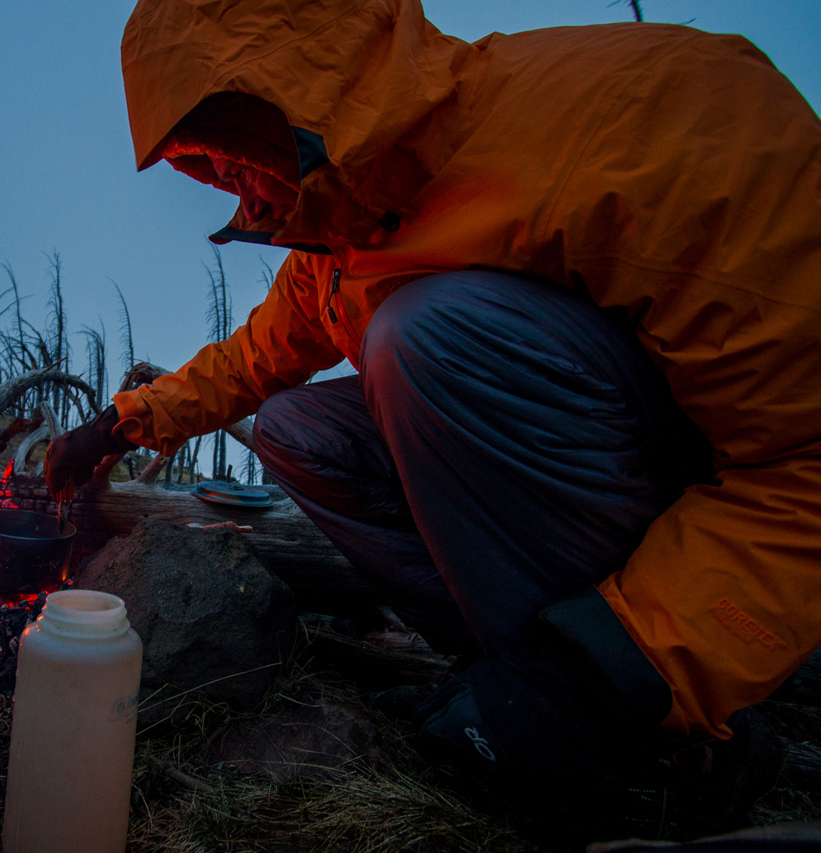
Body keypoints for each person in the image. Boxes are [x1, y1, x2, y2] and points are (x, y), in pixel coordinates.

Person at [46, 0, 820, 818]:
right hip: (582, 486)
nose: (226, 183)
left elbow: (804, 472)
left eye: (226, 144)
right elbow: (251, 360)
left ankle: (625, 697)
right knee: (296, 430)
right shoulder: (341, 228)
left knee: (420, 340)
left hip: (687, 502)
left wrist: (607, 674)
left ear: (302, 83)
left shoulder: (652, 110)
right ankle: (514, 673)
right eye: (200, 166)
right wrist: (118, 424)